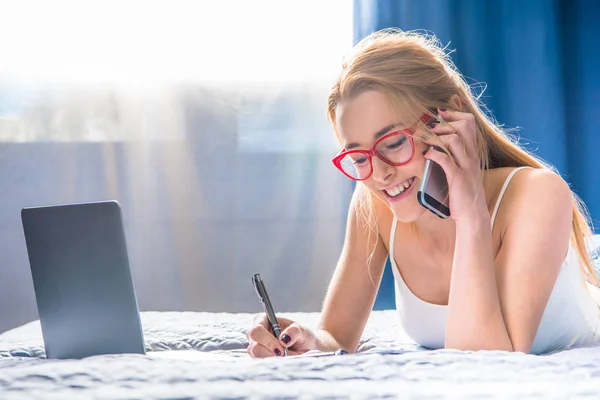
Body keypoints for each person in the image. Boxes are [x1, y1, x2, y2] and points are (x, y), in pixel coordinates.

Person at [246, 29, 600, 357]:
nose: (380, 173)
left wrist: (471, 215)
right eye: (358, 157)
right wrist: (305, 341)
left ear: (453, 117)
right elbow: (336, 337)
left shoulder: (537, 195)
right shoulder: (373, 204)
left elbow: (486, 364)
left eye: (395, 142)